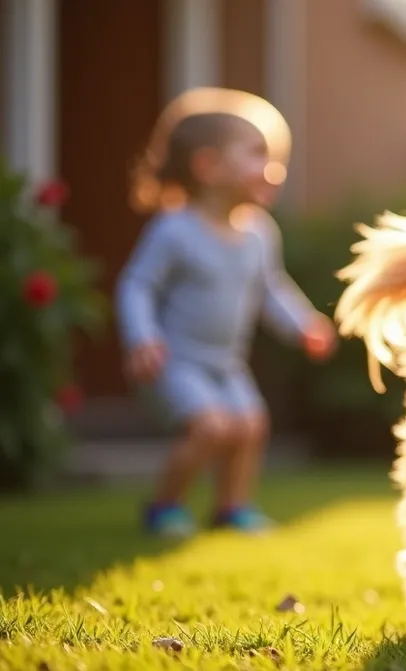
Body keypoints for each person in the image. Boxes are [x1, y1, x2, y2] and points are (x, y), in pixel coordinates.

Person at [116, 87, 336, 538]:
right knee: (211, 429)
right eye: (258, 154)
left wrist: (304, 324)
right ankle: (165, 506)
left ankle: (231, 507)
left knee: (251, 426)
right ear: (208, 165)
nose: (273, 169)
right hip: (176, 359)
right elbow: (137, 285)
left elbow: (271, 288)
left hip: (225, 363)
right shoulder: (175, 230)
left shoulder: (258, 233)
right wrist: (142, 337)